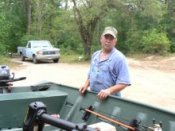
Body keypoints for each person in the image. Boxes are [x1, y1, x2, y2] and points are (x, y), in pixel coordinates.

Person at [79, 26, 131, 100]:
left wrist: (109, 91)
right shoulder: (95, 55)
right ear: (101, 39)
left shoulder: (119, 58)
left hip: (111, 101)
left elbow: (124, 83)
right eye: (106, 37)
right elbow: (91, 76)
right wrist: (85, 85)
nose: (108, 41)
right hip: (94, 98)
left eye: (111, 38)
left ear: (115, 42)